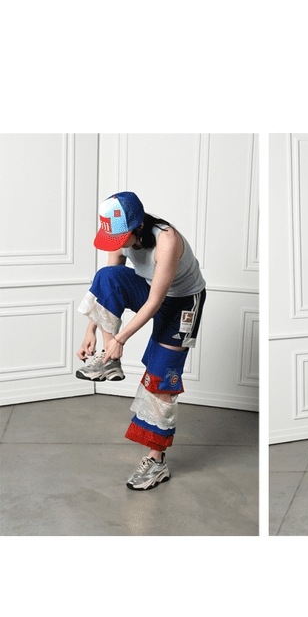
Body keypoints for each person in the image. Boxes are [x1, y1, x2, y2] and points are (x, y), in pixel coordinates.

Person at [75, 192, 207, 490]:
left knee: (161, 380)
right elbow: (110, 282)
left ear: (137, 229)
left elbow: (156, 302)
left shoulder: (167, 240)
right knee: (107, 275)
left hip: (181, 303)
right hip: (150, 290)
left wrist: (120, 338)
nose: (117, 244)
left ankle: (156, 462)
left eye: (121, 237)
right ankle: (110, 363)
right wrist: (91, 332)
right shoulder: (120, 238)